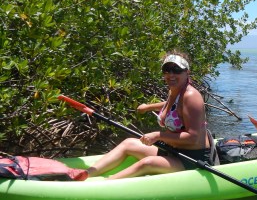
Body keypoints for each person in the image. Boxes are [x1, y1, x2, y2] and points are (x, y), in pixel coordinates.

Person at [87, 51, 215, 179]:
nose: (171, 74)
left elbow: (193, 137)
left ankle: (107, 182)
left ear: (187, 72)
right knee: (128, 143)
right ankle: (86, 174)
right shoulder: (174, 91)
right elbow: (174, 106)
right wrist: (148, 107)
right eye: (167, 70)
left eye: (176, 70)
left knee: (147, 163)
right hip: (172, 151)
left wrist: (158, 136)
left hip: (192, 158)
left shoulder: (191, 96)